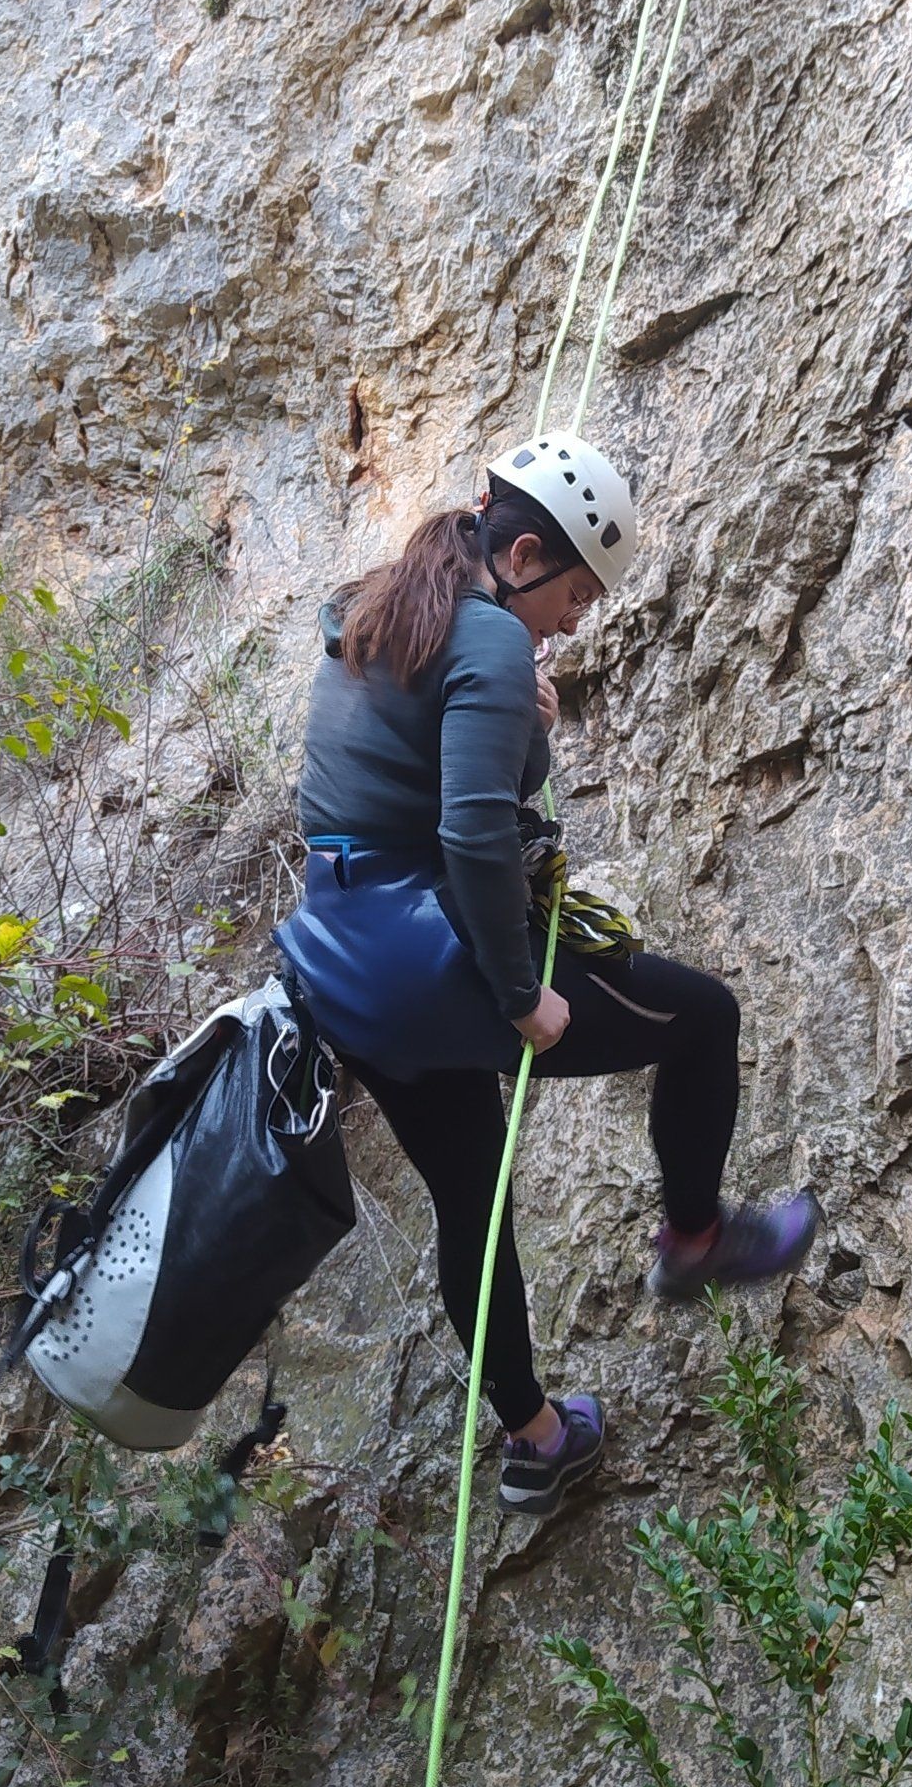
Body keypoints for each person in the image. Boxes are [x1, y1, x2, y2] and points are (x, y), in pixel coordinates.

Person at [275, 434, 818, 1518]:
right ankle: (697, 1239)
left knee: (471, 1203)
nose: (574, 622)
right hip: (431, 957)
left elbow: (423, 775)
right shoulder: (488, 637)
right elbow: (476, 832)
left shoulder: (383, 602)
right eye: (574, 595)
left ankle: (535, 1443)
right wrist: (523, 997)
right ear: (523, 555)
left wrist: (526, 731)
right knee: (703, 1017)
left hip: (342, 965)